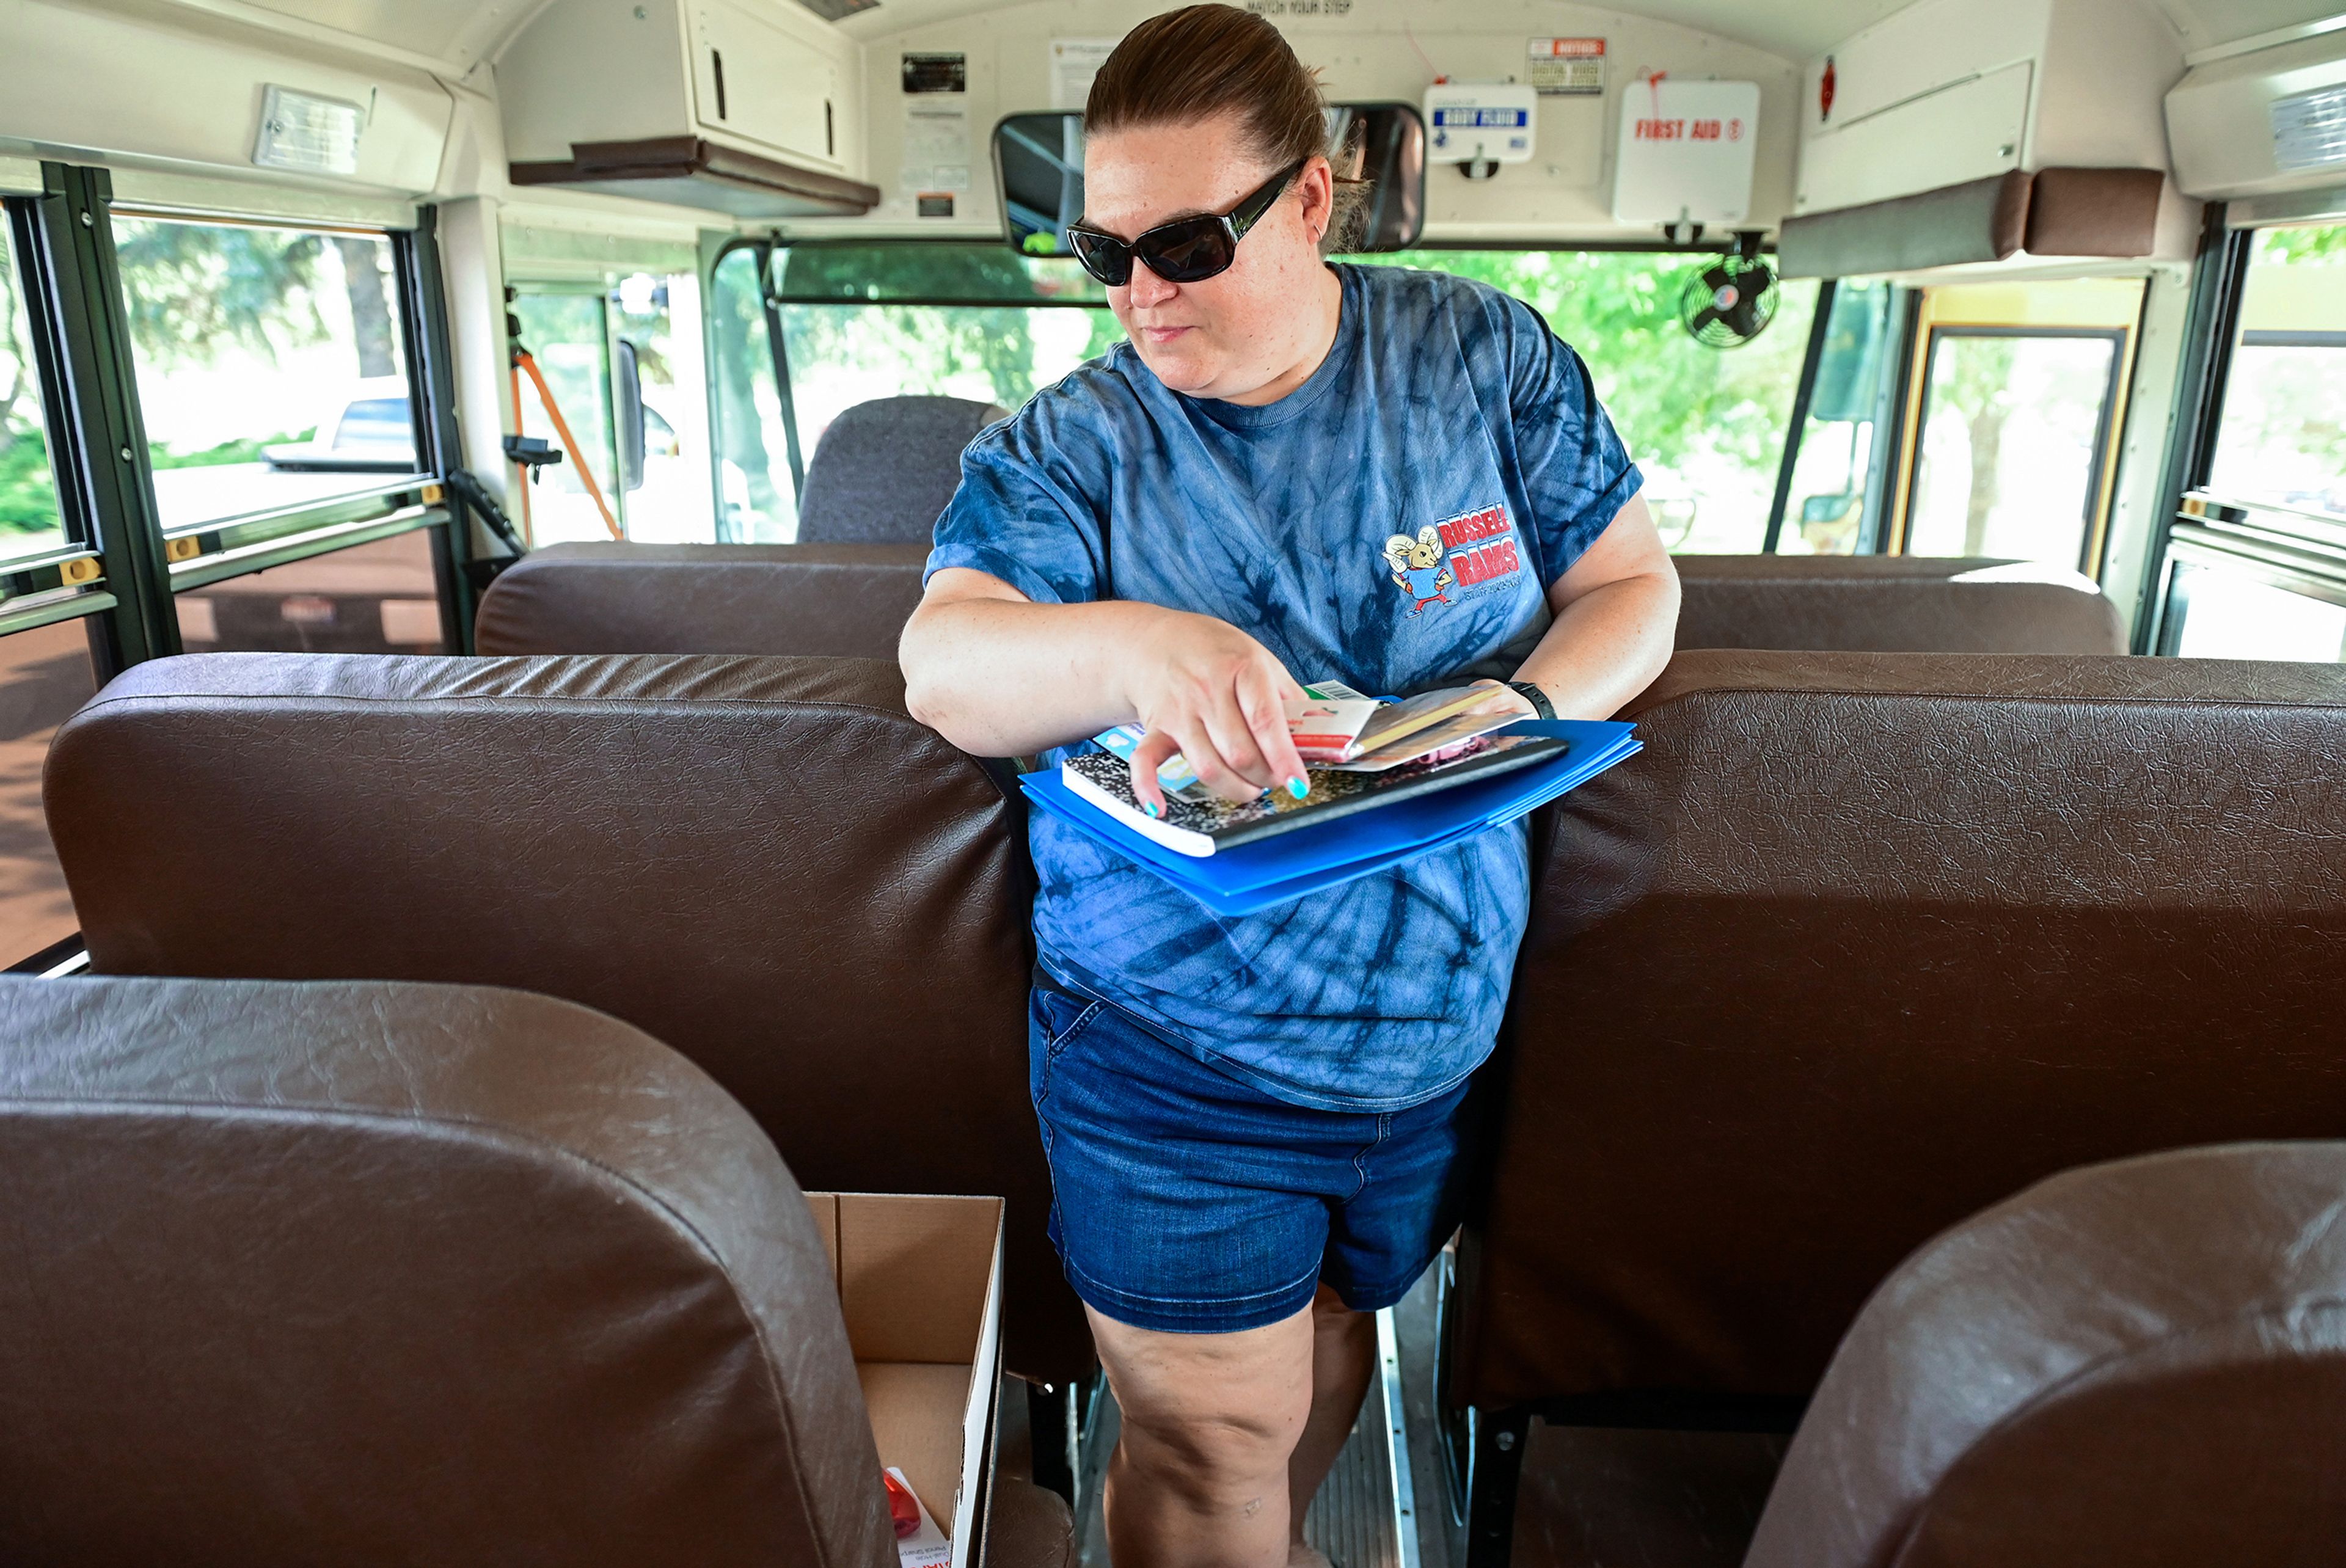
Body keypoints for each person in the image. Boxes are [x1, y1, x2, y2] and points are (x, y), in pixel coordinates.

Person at [899, 8, 1679, 1564]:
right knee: (1205, 1449)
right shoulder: (1069, 448)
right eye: (1101, 254)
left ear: (1310, 202)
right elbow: (949, 665)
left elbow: (1635, 591)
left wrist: (1505, 711)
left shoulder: (1482, 355)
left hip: (1439, 1038)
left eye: (1184, 244)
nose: (1139, 294)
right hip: (1176, 1050)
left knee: (1326, 1352)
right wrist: (1135, 648)